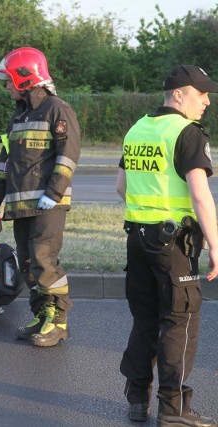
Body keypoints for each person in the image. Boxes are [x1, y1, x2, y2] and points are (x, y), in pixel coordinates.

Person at [116, 65, 218, 426]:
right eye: (200, 93)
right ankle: (174, 410)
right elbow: (200, 196)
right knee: (179, 323)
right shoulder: (187, 133)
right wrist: (217, 247)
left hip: (138, 241)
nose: (207, 100)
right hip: (174, 246)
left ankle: (137, 399)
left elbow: (121, 186)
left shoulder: (137, 129)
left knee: (144, 320)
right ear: (178, 94)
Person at [0, 47, 81, 347]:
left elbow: (68, 155)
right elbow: (5, 160)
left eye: (9, 80)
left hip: (47, 205)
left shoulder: (57, 109)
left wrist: (54, 193)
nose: (6, 87)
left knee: (43, 259)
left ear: (26, 79)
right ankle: (42, 315)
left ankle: (59, 321)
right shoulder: (19, 116)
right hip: (20, 205)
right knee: (27, 262)